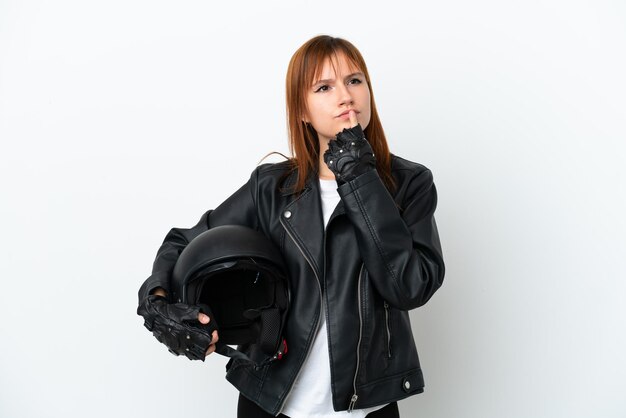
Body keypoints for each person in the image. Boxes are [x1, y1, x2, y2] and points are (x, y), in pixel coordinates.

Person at [137, 35, 445, 418]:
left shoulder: (409, 183)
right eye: (324, 87)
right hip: (271, 402)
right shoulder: (272, 188)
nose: (345, 96)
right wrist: (159, 301)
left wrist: (361, 179)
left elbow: (410, 286)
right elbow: (183, 242)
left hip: (368, 408)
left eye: (354, 80)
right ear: (303, 109)